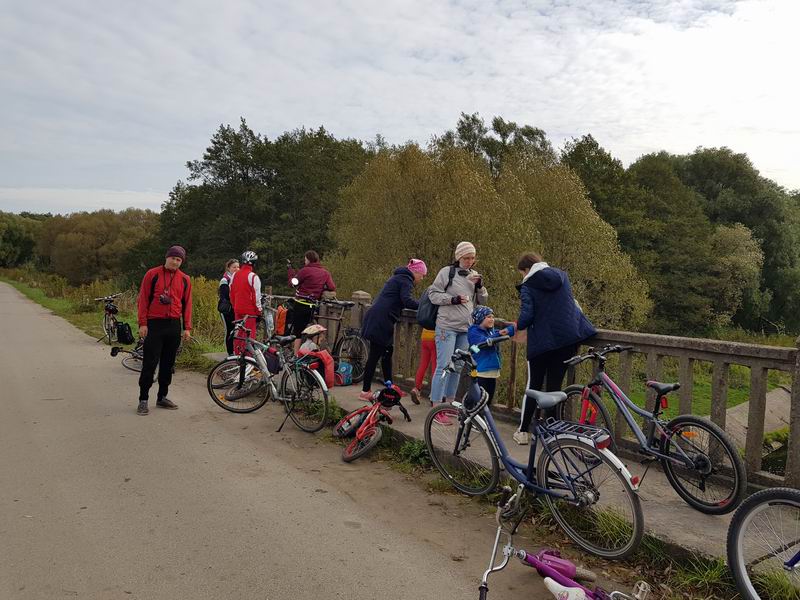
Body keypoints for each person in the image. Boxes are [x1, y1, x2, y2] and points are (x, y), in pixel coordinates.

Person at [513, 252, 597, 444]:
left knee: (533, 386)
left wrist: (514, 327)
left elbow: (527, 316)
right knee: (554, 388)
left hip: (542, 343)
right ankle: (551, 433)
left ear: (526, 270)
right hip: (567, 340)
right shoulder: (562, 276)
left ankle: (523, 431)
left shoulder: (528, 284)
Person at [428, 242, 488, 424]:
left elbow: (482, 301)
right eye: (466, 258)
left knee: (458, 367)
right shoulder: (447, 272)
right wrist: (452, 299)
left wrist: (480, 287)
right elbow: (433, 294)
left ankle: (449, 405)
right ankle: (436, 408)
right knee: (445, 365)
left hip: (465, 329)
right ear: (458, 257)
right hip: (446, 326)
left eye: (472, 258)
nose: (470, 261)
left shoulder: (473, 276)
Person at [136, 245, 193, 415]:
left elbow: (187, 304)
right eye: (173, 258)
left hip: (173, 325)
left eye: (178, 260)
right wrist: (143, 323)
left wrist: (187, 328)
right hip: (154, 324)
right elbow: (143, 299)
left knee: (168, 365)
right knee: (150, 363)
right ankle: (143, 399)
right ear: (166, 257)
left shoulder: (185, 279)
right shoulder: (152, 274)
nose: (175, 262)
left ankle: (162, 397)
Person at [359, 259, 427, 401]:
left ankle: (390, 389)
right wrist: (425, 305)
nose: (422, 278)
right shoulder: (405, 280)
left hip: (380, 319)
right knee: (374, 357)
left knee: (387, 354)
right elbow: (407, 301)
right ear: (416, 272)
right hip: (381, 321)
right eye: (422, 275)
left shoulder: (398, 277)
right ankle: (365, 391)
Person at [287, 250, 336, 353]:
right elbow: (332, 287)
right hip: (314, 305)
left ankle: (295, 356)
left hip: (301, 304)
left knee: (298, 332)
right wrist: (321, 289)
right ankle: (312, 353)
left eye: (305, 259)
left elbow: (293, 283)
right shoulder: (325, 272)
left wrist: (290, 272)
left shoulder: (305, 270)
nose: (305, 262)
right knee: (314, 331)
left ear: (308, 260)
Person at [467, 306, 515, 405]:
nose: (492, 319)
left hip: (491, 372)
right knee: (478, 402)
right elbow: (482, 342)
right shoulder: (473, 331)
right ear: (481, 318)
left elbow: (503, 332)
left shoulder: (491, 331)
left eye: (493, 317)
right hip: (480, 372)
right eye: (488, 317)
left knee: (487, 402)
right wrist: (499, 334)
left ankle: (483, 419)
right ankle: (470, 419)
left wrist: (512, 328)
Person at [229, 250, 261, 355]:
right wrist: (259, 311)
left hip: (238, 309)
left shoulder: (234, 275)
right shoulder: (253, 277)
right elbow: (256, 297)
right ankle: (248, 360)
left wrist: (234, 306)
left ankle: (237, 357)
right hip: (250, 311)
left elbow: (231, 293)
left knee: (238, 334)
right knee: (249, 336)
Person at [218, 258, 239, 356]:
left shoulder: (238, 279)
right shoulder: (225, 280)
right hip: (227, 309)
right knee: (229, 330)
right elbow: (225, 296)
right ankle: (230, 353)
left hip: (236, 308)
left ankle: (236, 351)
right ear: (229, 268)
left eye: (238, 267)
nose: (236, 269)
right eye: (234, 267)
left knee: (236, 330)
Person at [410, 328, 436, 405]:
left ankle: (416, 389)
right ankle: (434, 394)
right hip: (435, 337)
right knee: (435, 367)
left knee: (423, 364)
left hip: (425, 336)